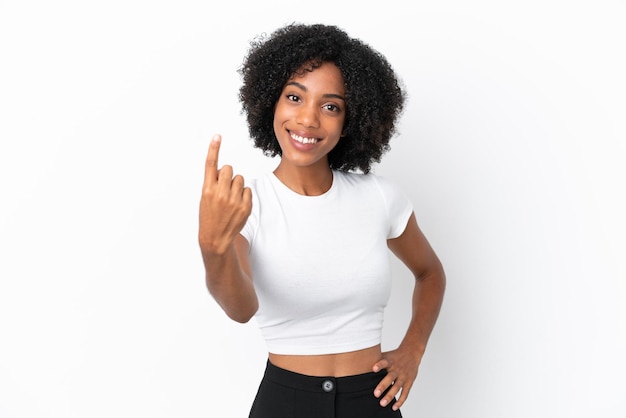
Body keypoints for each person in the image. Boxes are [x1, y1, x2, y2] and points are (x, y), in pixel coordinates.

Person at [198, 23, 446, 417]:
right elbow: (241, 308)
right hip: (286, 402)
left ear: (350, 121)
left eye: (330, 106)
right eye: (295, 97)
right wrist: (213, 248)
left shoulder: (379, 197)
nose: (308, 119)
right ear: (271, 104)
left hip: (373, 400)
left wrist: (413, 350)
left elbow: (430, 272)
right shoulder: (250, 204)